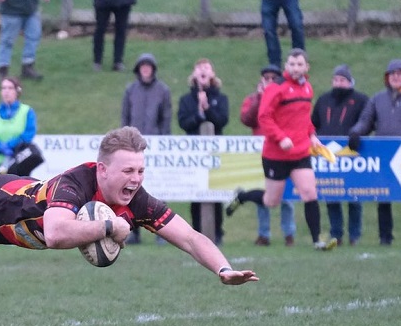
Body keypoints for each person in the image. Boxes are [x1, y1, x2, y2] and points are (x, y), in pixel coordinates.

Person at [0, 42, 258, 287]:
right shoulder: (77, 182)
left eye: (140, 171)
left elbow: (189, 237)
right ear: (102, 169)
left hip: (16, 192)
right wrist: (108, 226)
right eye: (127, 171)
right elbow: (55, 233)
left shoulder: (135, 198)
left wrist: (223, 269)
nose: (136, 180)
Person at [224, 49, 335, 251]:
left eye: (299, 64)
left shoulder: (307, 89)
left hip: (300, 152)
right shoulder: (276, 88)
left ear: (306, 67)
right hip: (275, 155)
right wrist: (281, 137)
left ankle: (317, 241)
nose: (295, 68)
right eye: (291, 64)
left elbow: (305, 118)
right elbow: (264, 117)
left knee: (310, 193)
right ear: (286, 66)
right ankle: (242, 196)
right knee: (271, 201)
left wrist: (312, 136)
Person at [348, 59, 401, 246]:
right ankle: (385, 237)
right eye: (392, 74)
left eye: (399, 73)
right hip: (384, 155)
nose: (395, 76)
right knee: (383, 197)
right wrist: (356, 132)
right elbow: (366, 121)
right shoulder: (378, 99)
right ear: (387, 77)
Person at [237, 63, 296, 246]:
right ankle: (264, 234)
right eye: (266, 78)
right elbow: (247, 119)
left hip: (282, 151)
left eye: (273, 78)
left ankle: (289, 234)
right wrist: (260, 99)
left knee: (286, 196)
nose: (269, 81)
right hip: (261, 153)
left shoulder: (285, 98)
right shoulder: (254, 98)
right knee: (264, 196)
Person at [312, 64, 367, 245]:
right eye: (335, 80)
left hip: (353, 156)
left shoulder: (360, 100)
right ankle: (337, 234)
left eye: (342, 80)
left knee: (354, 195)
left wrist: (357, 134)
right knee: (331, 194)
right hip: (328, 155)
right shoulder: (324, 99)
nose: (338, 83)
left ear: (350, 82)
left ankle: (354, 235)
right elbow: (314, 123)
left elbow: (366, 122)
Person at [120, 52, 170, 244]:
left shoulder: (162, 91)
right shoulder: (130, 90)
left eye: (149, 66)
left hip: (155, 147)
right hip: (132, 146)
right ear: (139, 69)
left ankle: (162, 231)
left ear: (153, 69)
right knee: (131, 188)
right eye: (143, 66)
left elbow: (165, 119)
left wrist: (165, 142)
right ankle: (133, 231)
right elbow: (125, 118)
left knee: (159, 188)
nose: (146, 70)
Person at [177, 58, 229, 244]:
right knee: (196, 194)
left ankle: (217, 232)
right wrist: (199, 113)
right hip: (194, 156)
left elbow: (222, 121)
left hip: (215, 155)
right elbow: (184, 123)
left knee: (216, 194)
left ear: (212, 74)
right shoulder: (186, 100)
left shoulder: (221, 98)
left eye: (207, 67)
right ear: (194, 74)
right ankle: (196, 232)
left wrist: (207, 109)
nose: (203, 70)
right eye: (199, 67)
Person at [0, 77, 39, 175]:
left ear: (17, 91)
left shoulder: (26, 111)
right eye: (3, 88)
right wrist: (1, 147)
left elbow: (29, 133)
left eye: (10, 88)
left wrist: (11, 145)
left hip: (21, 161)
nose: (6, 91)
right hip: (0, 163)